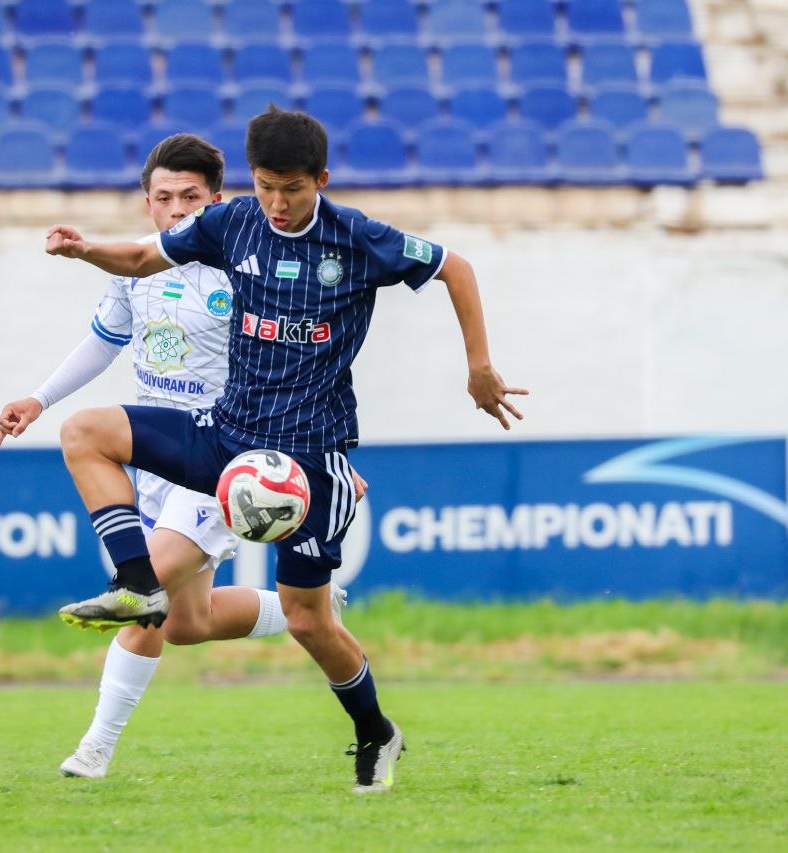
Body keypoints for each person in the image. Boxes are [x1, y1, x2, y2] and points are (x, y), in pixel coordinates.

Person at [41, 108, 528, 793]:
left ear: (320, 180)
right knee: (83, 431)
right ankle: (137, 583)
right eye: (266, 185)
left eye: (291, 188)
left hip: (308, 460)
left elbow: (456, 267)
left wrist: (479, 368)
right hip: (226, 434)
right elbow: (142, 256)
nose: (277, 201)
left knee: (308, 618)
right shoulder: (232, 221)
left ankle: (375, 729)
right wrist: (84, 248)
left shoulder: (357, 237)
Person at [0, 134, 351, 779]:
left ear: (216, 201)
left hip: (226, 454)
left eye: (191, 197)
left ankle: (94, 749)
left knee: (145, 592)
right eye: (163, 198)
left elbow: (305, 356)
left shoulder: (245, 264)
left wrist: (320, 451)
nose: (177, 209)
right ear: (148, 202)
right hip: (159, 455)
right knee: (189, 623)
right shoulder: (137, 272)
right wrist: (39, 399)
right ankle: (317, 608)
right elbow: (101, 345)